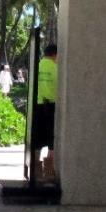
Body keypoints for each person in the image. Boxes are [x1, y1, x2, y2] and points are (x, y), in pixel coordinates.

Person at [32, 44, 58, 180]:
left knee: (37, 138)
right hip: (51, 106)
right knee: (51, 139)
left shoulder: (38, 66)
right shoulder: (56, 67)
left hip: (37, 105)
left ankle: (36, 170)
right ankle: (48, 171)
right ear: (55, 55)